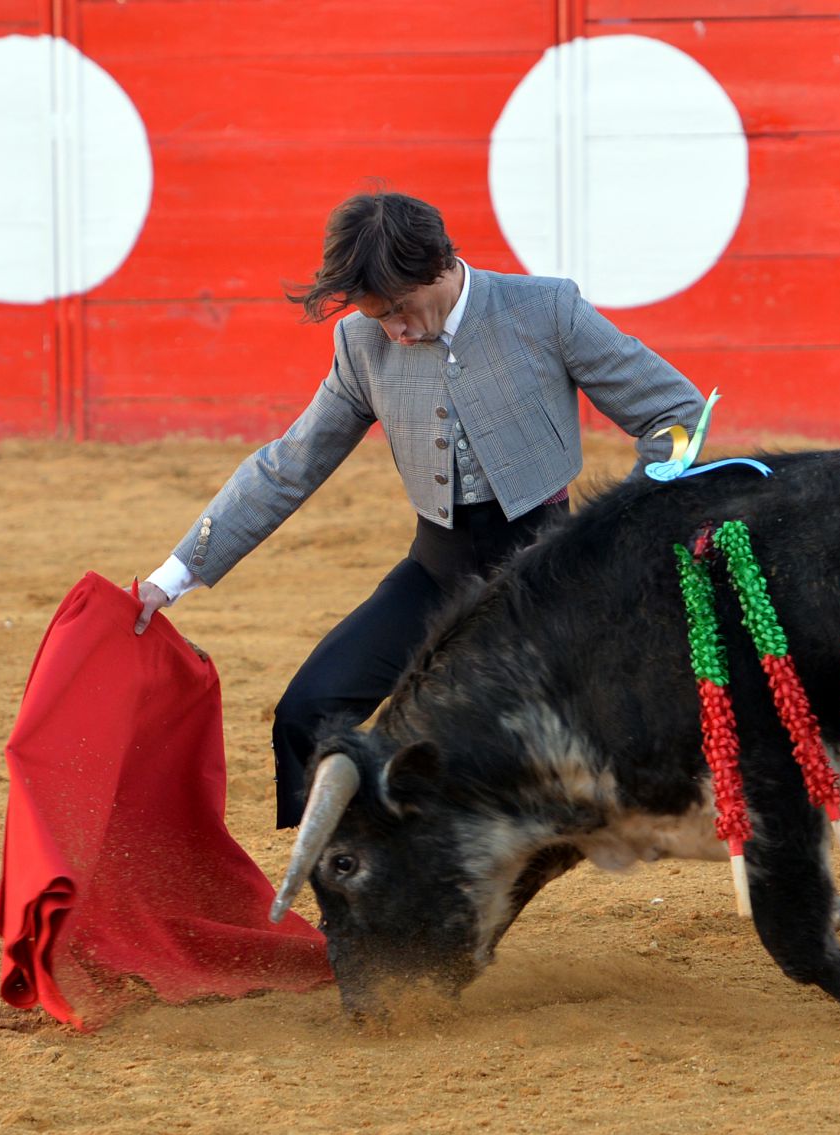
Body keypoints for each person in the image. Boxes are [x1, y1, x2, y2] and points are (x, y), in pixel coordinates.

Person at [133, 191, 702, 829]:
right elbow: (290, 464)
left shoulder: (545, 310)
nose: (394, 333)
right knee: (306, 713)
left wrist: (618, 528)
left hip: (550, 582)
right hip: (436, 572)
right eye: (378, 318)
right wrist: (175, 574)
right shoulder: (360, 345)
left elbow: (672, 412)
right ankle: (338, 887)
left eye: (400, 310)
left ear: (439, 265)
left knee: (516, 750)